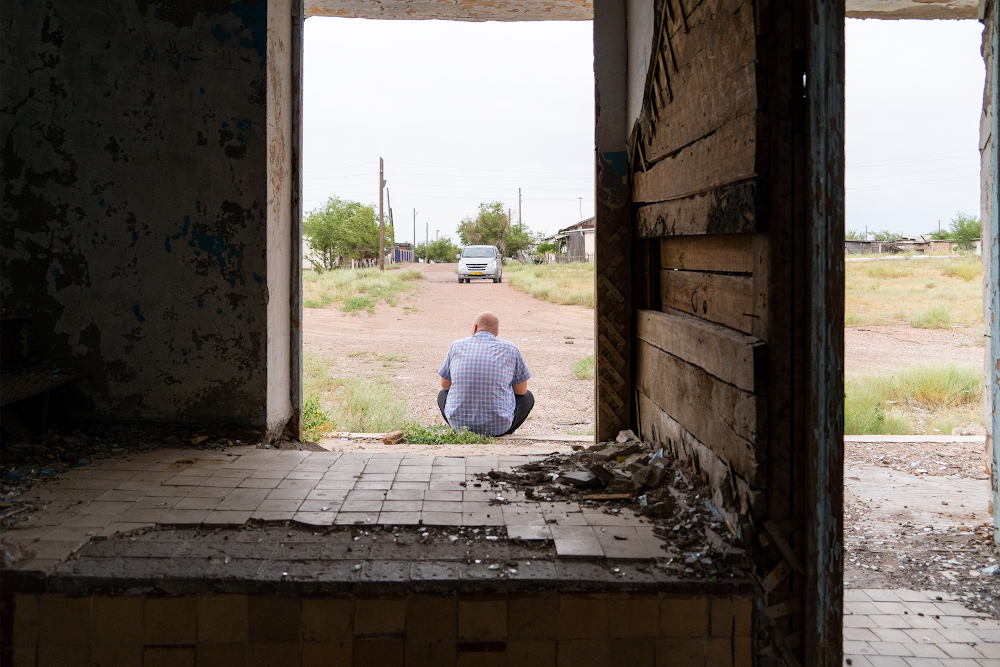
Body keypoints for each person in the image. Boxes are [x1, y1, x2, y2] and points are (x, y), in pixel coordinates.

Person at [437, 311, 534, 436]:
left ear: (475, 328)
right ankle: (500, 432)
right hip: (499, 427)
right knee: (527, 397)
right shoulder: (511, 349)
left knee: (442, 395)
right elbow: (521, 391)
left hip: (460, 425)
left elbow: (445, 385)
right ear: (496, 333)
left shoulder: (456, 346)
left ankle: (463, 430)